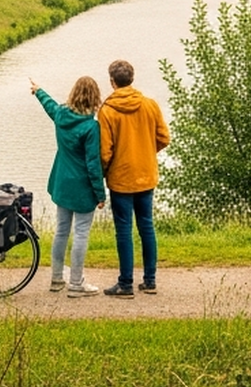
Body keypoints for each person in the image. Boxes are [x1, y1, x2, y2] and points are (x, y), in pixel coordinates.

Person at [97, 58, 169, 297]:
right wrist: (147, 152)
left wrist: (105, 171)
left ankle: (126, 283)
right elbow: (164, 138)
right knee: (147, 227)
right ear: (132, 79)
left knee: (124, 231)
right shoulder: (150, 105)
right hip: (146, 175)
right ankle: (150, 281)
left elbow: (105, 151)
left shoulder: (107, 111)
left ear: (112, 81)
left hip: (121, 178)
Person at [30, 75, 107, 296]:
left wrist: (39, 90)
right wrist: (100, 194)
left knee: (61, 231)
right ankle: (76, 284)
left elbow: (50, 106)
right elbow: (93, 164)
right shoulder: (91, 127)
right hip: (82, 187)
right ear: (94, 97)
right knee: (81, 233)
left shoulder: (61, 115)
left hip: (62, 183)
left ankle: (56, 278)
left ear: (74, 93)